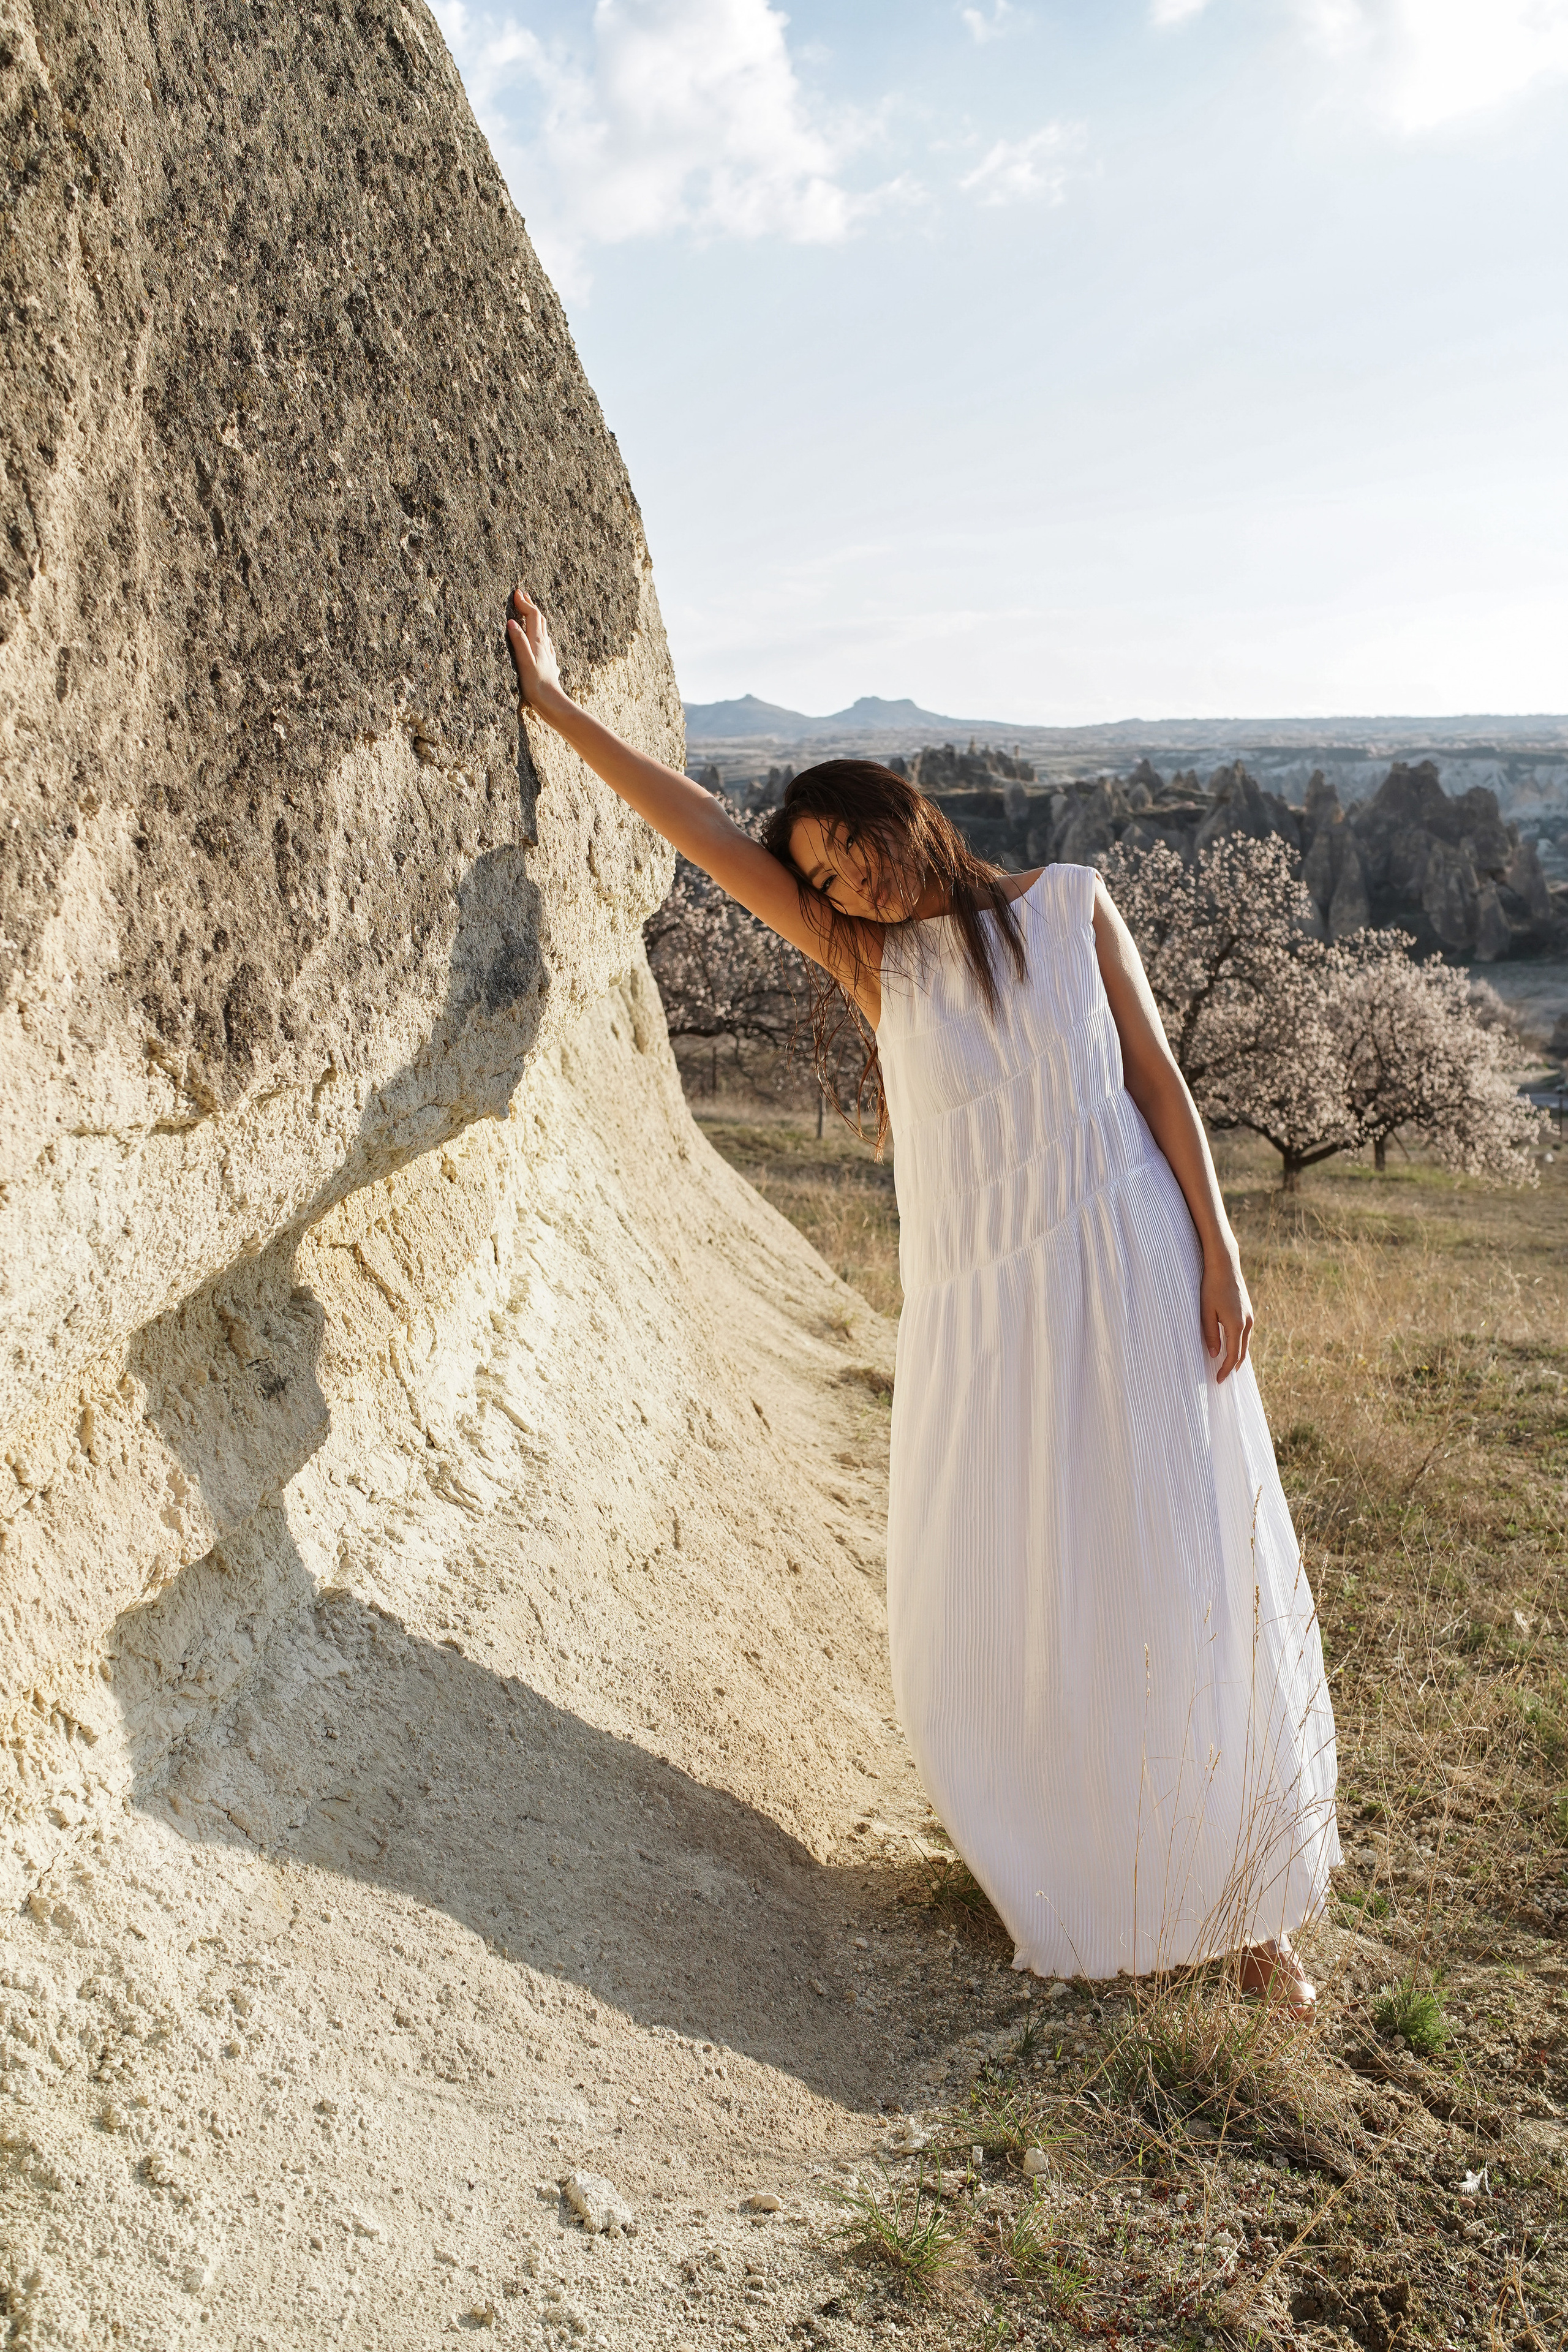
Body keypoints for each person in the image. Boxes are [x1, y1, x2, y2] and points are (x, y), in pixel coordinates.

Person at [505, 587, 1339, 2013]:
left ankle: (1250, 1908)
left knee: (1180, 1561)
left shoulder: (1072, 907)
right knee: (1028, 1587)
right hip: (985, 1328)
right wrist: (557, 705)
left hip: (1134, 1277)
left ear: (904, 817)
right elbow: (703, 833)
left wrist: (1222, 1253)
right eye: (819, 880)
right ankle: (1084, 1865)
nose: (841, 890)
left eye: (848, 856)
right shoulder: (872, 963)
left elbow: (1159, 1087)